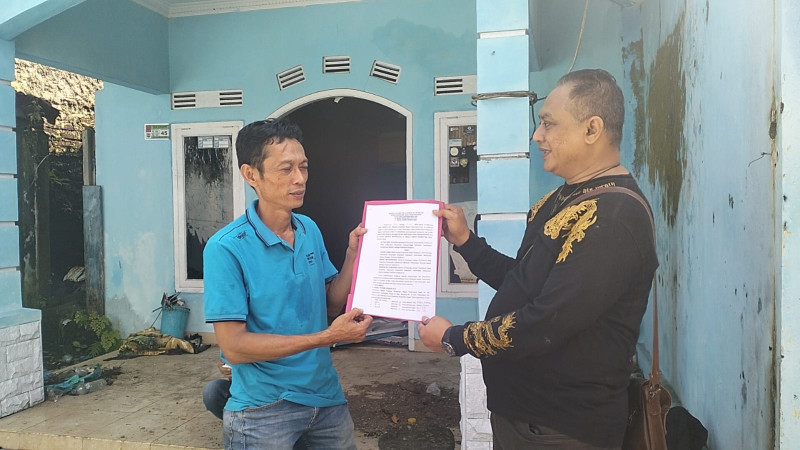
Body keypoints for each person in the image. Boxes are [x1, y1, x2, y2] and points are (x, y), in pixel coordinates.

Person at [418, 68, 658, 449]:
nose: (537, 136)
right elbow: (522, 282)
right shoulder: (560, 198)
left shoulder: (615, 218)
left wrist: (454, 338)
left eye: (549, 123)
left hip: (562, 429)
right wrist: (465, 241)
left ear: (592, 129)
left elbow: (544, 321)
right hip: (523, 418)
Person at [203, 118, 373, 450]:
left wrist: (352, 256)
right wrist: (330, 336)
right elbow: (234, 347)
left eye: (303, 167)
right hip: (263, 409)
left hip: (326, 398)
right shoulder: (226, 248)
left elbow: (330, 304)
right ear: (251, 174)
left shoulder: (308, 228)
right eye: (286, 169)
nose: (300, 178)